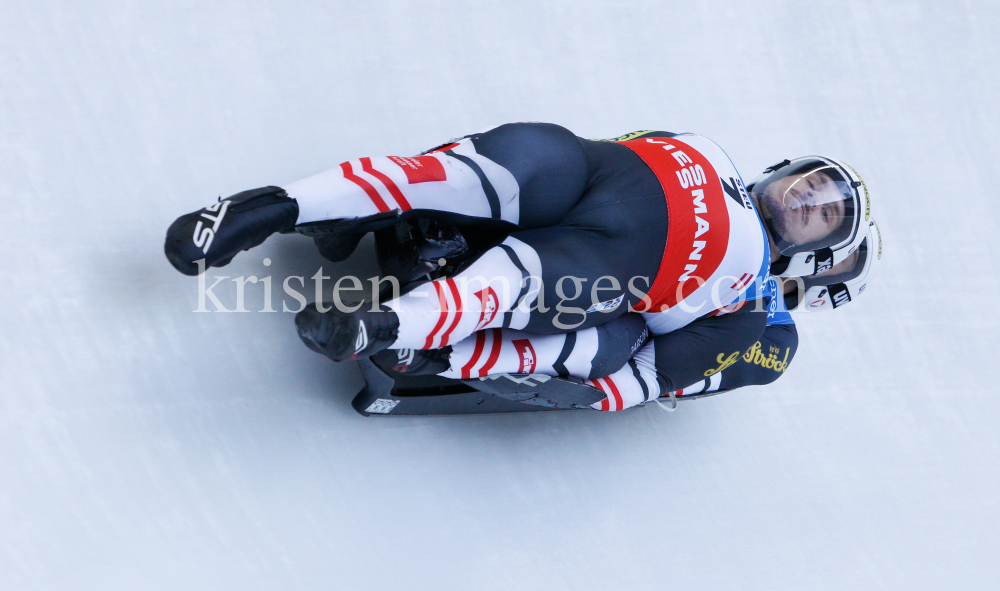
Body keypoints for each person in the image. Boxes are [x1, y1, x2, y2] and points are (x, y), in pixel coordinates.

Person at [164, 123, 873, 399]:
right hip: (582, 176)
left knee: (572, 304)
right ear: (788, 166)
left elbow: (655, 363)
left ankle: (394, 330)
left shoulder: (752, 299)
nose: (815, 195)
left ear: (814, 255)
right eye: (817, 180)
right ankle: (281, 210)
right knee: (489, 166)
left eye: (827, 212)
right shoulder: (705, 144)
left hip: (609, 260)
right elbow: (620, 143)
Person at [369, 217, 881, 411]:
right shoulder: (741, 222)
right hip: (631, 264)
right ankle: (454, 243)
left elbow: (692, 370)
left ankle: (449, 352)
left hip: (636, 324)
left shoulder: (777, 340)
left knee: (616, 329)